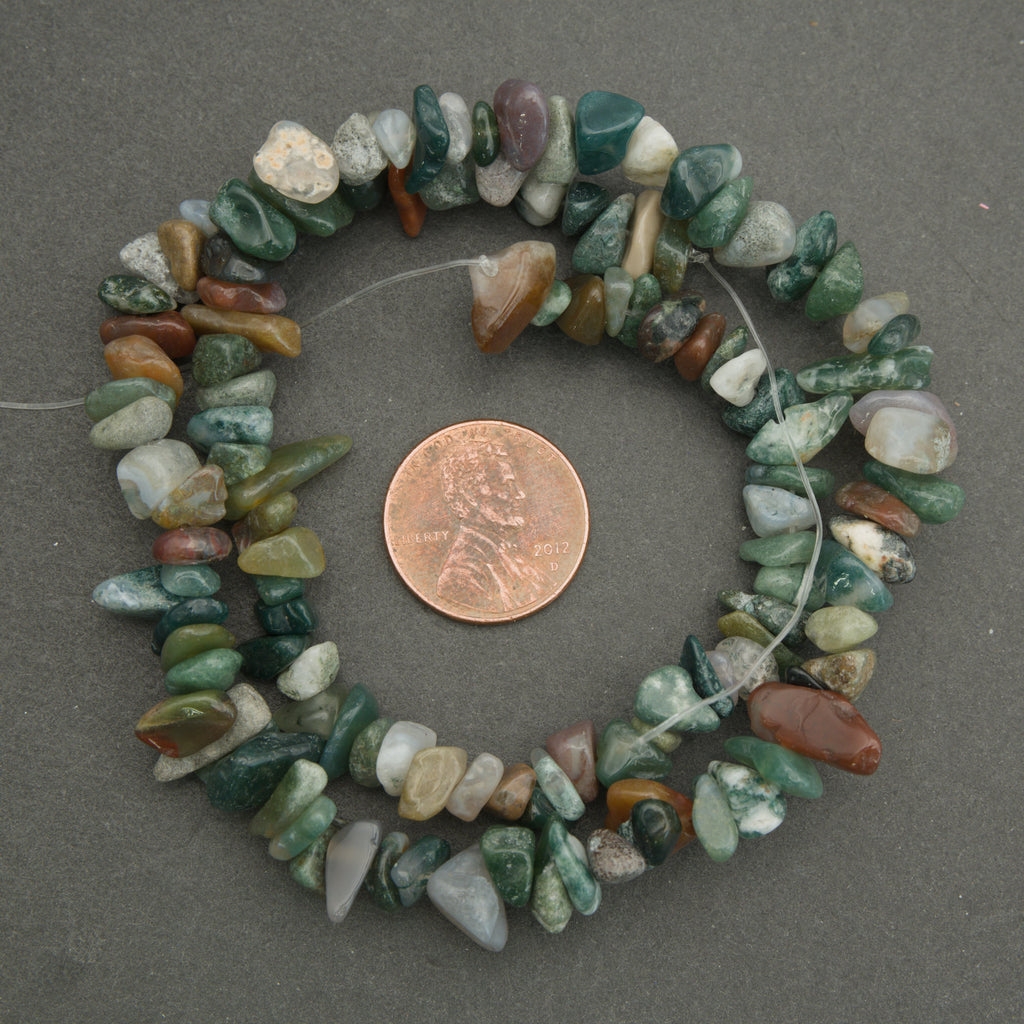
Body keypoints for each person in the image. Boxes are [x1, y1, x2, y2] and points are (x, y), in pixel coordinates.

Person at [435, 441, 550, 613]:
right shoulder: (460, 577)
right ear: (470, 494)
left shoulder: (505, 553)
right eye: (506, 485)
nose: (520, 494)